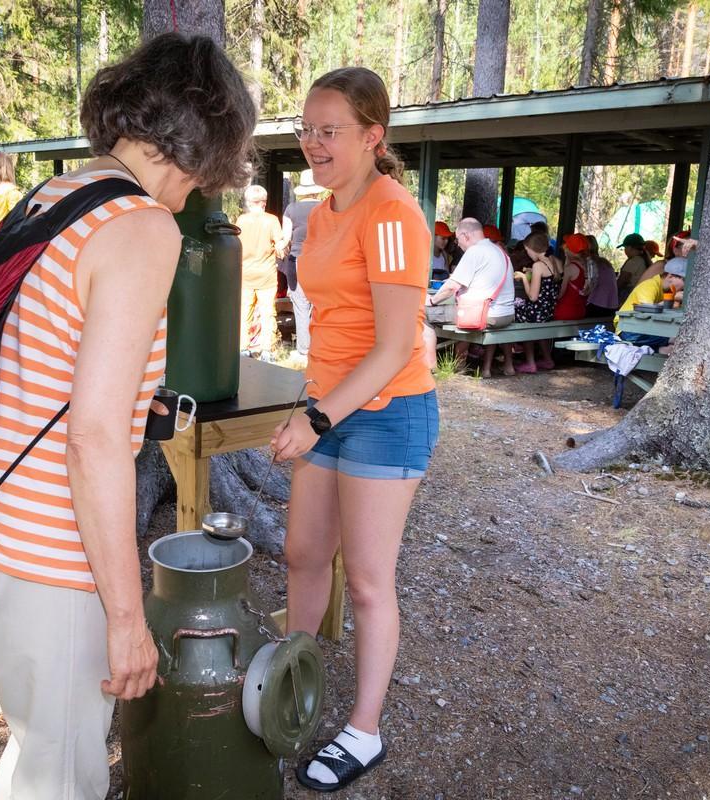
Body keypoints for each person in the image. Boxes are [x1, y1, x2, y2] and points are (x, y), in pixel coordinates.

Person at [0, 34, 255, 799]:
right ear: (204, 140)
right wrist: (126, 616)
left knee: (40, 747)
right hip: (45, 544)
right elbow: (91, 439)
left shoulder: (59, 195)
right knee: (62, 774)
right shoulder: (141, 226)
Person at [272, 66, 437, 793]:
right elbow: (335, 329)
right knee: (304, 554)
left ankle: (364, 729)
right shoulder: (326, 211)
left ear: (373, 137)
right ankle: (289, 676)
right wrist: (310, 401)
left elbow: (395, 344)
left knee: (368, 582)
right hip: (332, 404)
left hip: (387, 412)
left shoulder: (392, 214)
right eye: (306, 129)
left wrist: (317, 416)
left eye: (328, 130)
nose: (313, 142)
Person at [427, 217, 515, 377]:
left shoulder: (475, 251)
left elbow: (453, 285)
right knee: (457, 311)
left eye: (458, 238)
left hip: (485, 315)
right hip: (506, 315)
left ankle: (431, 367)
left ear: (466, 235)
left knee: (423, 313)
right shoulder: (499, 251)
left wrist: (432, 300)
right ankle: (457, 365)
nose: (457, 244)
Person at [236, 184, 285, 357]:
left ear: (249, 202)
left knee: (244, 312)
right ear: (264, 203)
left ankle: (243, 348)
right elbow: (280, 245)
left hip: (245, 274)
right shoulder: (271, 220)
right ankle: (266, 349)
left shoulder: (241, 220)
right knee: (267, 312)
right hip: (266, 274)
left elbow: (236, 245)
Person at [280, 169, 323, 358]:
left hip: (297, 261)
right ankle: (320, 346)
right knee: (320, 305)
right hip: (322, 262)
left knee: (301, 305)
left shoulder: (291, 209)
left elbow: (285, 238)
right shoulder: (326, 207)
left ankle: (304, 349)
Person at [511, 231, 562, 372]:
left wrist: (523, 278)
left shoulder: (538, 266)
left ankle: (529, 361)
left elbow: (533, 297)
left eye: (527, 250)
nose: (527, 254)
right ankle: (547, 359)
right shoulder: (556, 261)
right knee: (537, 324)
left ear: (533, 249)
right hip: (550, 310)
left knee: (515, 309)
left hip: (537, 312)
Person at [613, 256, 687, 350]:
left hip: (647, 330)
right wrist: (672, 299)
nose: (685, 285)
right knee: (673, 339)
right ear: (670, 276)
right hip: (627, 330)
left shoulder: (667, 290)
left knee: (670, 346)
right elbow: (648, 312)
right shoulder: (649, 286)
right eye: (684, 280)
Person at [553, 233, 590, 321]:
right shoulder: (587, 266)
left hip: (566, 310)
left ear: (569, 249)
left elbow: (561, 293)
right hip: (580, 310)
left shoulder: (570, 268)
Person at [584, 233, 619, 317]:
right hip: (612, 306)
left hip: (597, 305)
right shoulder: (605, 262)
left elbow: (587, 286)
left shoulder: (589, 262)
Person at [615, 232, 650, 299]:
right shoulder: (643, 260)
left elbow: (623, 280)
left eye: (625, 247)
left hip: (629, 295)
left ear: (630, 247)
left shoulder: (634, 261)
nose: (624, 250)